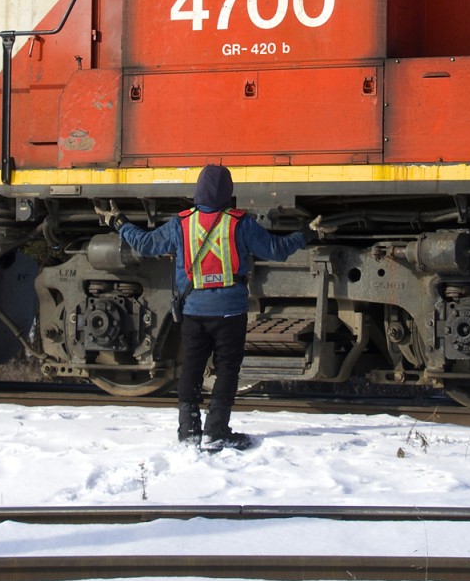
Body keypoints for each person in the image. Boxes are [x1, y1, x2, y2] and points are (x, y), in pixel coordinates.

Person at [95, 165, 315, 451]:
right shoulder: (240, 223)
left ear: (198, 190)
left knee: (192, 369)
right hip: (230, 313)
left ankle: (188, 430)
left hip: (194, 311)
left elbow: (146, 245)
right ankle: (217, 430)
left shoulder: (181, 223)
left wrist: (119, 222)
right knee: (226, 370)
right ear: (229, 192)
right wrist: (307, 233)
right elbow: (277, 250)